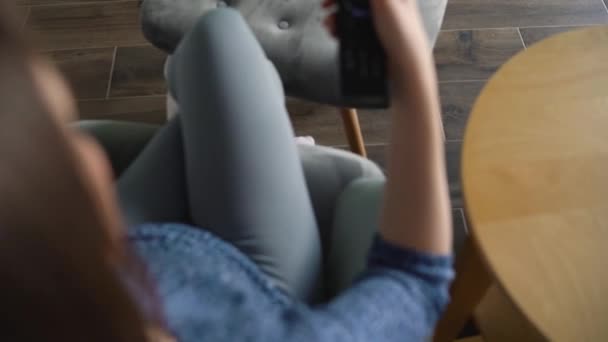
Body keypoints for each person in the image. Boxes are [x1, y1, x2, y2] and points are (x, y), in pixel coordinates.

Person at [0, 0, 453, 340]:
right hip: (252, 280)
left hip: (121, 253)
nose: (82, 141)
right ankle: (239, 134)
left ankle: (217, 126)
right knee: (219, 51)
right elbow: (413, 281)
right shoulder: (259, 332)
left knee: (216, 34)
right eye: (59, 137)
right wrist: (412, 70)